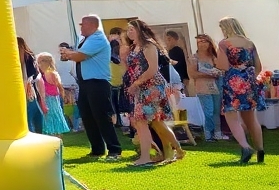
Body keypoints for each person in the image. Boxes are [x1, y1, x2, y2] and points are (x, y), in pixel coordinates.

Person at [60, 16, 123, 160]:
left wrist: (68, 53)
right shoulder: (86, 39)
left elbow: (80, 56)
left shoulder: (97, 38)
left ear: (92, 25)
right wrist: (70, 53)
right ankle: (97, 149)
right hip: (86, 83)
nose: (81, 28)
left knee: (102, 116)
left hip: (97, 83)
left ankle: (114, 149)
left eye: (83, 25)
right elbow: (77, 55)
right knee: (88, 116)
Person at [123, 19, 184, 166]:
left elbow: (152, 69)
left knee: (143, 121)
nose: (129, 32)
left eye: (132, 29)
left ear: (140, 30)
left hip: (152, 87)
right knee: (156, 122)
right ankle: (177, 149)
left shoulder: (148, 45)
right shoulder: (133, 47)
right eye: (128, 29)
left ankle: (146, 157)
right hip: (140, 88)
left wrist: (136, 83)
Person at [215, 16, 265, 164]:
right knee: (251, 118)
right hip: (249, 82)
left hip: (233, 81)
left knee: (231, 117)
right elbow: (258, 66)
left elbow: (223, 66)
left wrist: (216, 61)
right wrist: (249, 77)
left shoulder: (224, 44)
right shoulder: (249, 43)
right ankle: (260, 150)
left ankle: (245, 147)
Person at [188, 34, 226, 140]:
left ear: (209, 43)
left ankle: (218, 133)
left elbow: (222, 69)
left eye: (204, 41)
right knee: (208, 111)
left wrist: (218, 72)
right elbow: (192, 74)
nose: (202, 44)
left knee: (216, 111)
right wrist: (208, 74)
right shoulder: (194, 58)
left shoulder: (214, 56)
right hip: (203, 88)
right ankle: (208, 133)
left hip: (216, 87)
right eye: (199, 42)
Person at [34, 53, 70, 135]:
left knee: (51, 119)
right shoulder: (49, 74)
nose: (38, 65)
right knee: (54, 119)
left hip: (49, 99)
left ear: (45, 62)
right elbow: (60, 87)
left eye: (39, 62)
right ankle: (56, 136)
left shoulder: (47, 74)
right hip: (52, 99)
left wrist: (63, 96)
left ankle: (55, 136)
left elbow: (59, 87)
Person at [18, 37, 42, 134]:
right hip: (31, 88)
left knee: (29, 115)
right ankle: (38, 133)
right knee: (33, 114)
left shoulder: (26, 57)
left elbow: (31, 74)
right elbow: (35, 73)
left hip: (28, 88)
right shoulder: (29, 56)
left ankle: (33, 133)